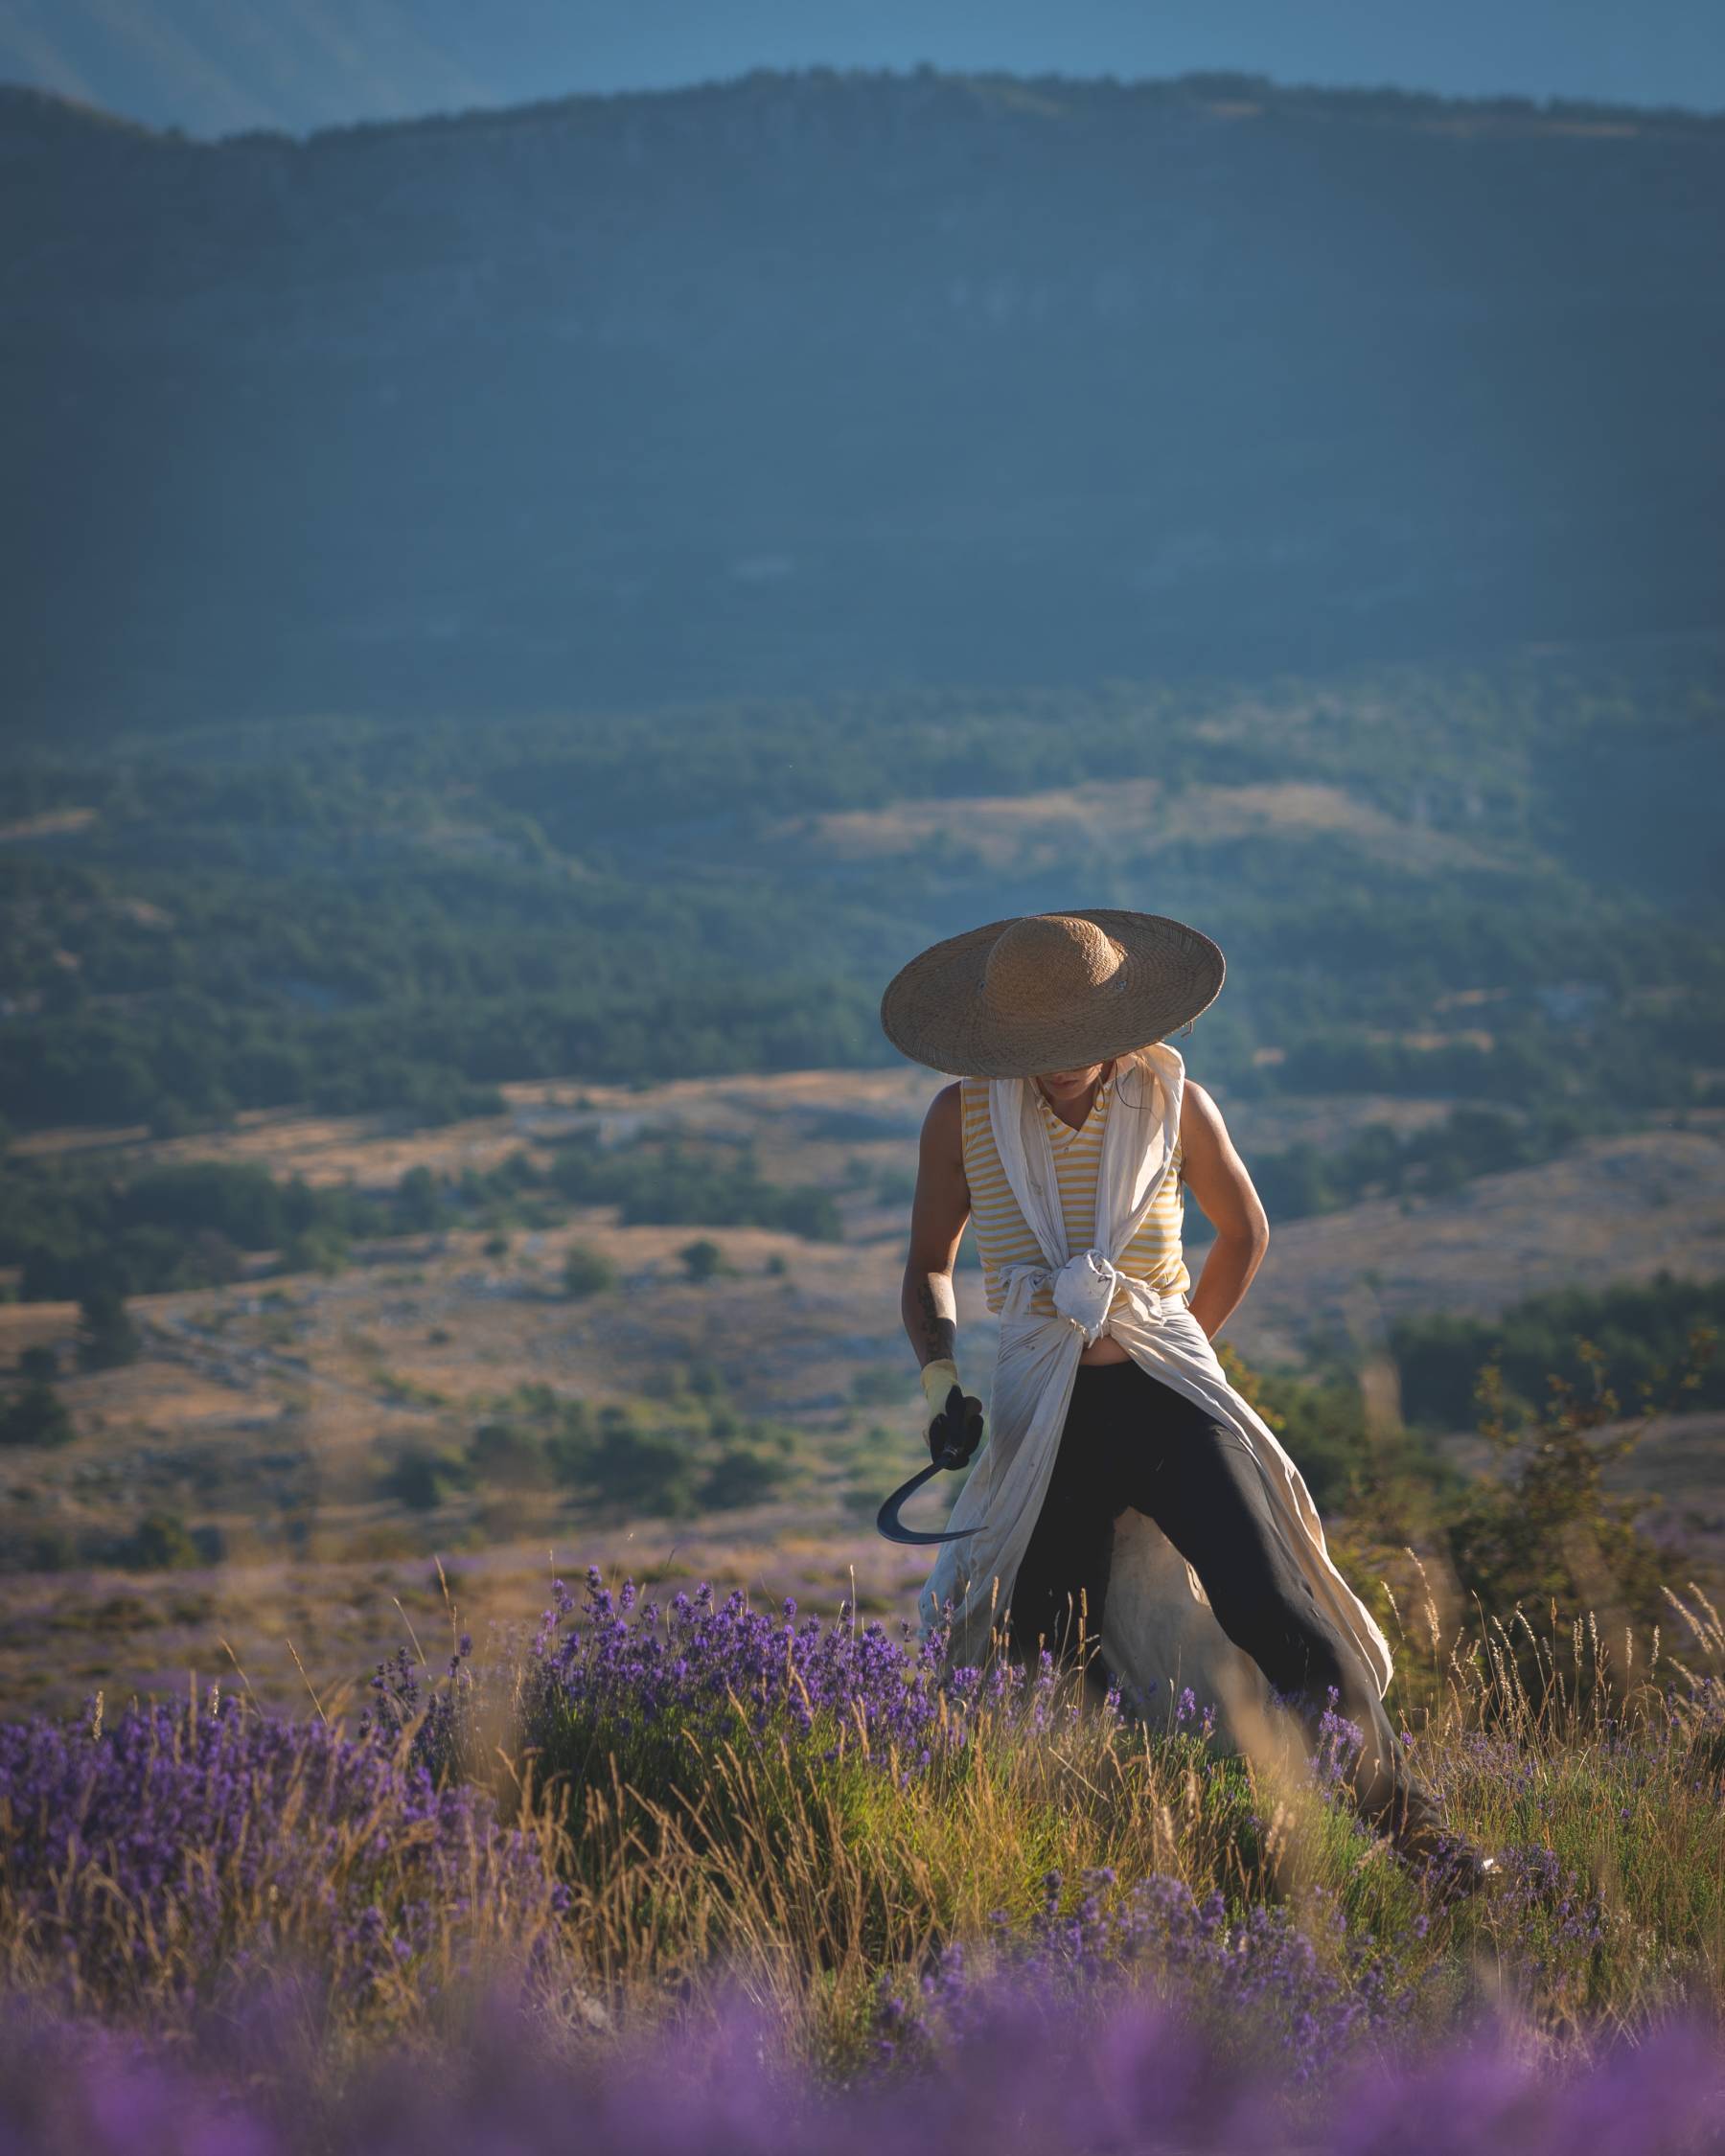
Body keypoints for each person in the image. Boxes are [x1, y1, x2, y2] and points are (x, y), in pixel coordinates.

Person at [881, 907, 1496, 1898]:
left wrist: (1181, 1340)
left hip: (1168, 1394)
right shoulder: (961, 1119)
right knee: (1039, 1643)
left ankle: (1418, 1839)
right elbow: (927, 1268)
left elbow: (1243, 1230)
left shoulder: (1175, 1104)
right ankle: (1087, 1870)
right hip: (1048, 1406)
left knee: (1278, 1605)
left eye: (1078, 1040)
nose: (1064, 1062)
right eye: (1041, 1046)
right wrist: (941, 1382)